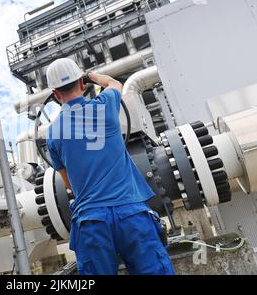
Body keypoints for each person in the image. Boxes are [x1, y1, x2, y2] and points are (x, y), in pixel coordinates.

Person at [45, 58, 175, 275]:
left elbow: (70, 185)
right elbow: (114, 84)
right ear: (82, 84)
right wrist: (91, 76)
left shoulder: (52, 133)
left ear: (56, 95)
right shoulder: (105, 104)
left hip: (91, 223)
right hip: (131, 214)